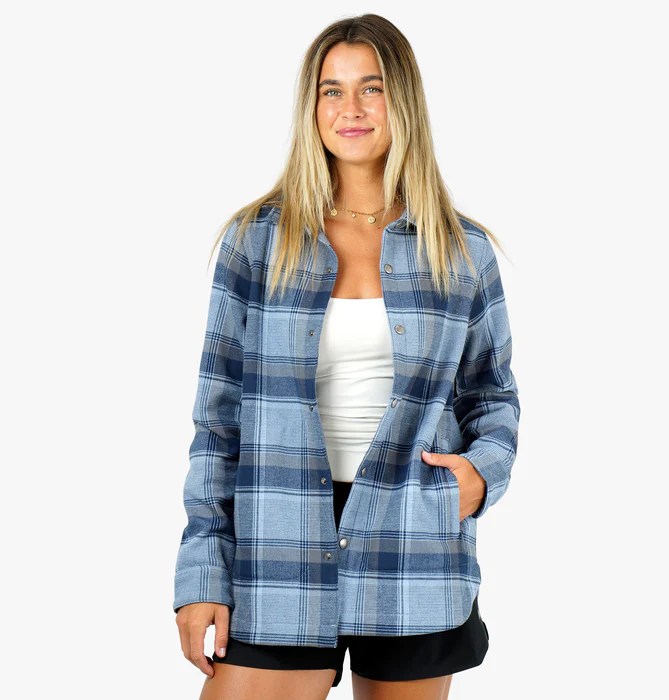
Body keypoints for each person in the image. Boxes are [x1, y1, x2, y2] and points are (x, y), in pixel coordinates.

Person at [174, 13, 520, 700]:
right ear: (312, 108)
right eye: (331, 90)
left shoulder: (462, 250)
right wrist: (202, 570)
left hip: (415, 532)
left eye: (372, 88)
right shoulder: (257, 241)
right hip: (278, 538)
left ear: (404, 101)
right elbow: (217, 422)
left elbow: (492, 395)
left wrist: (479, 478)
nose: (350, 108)